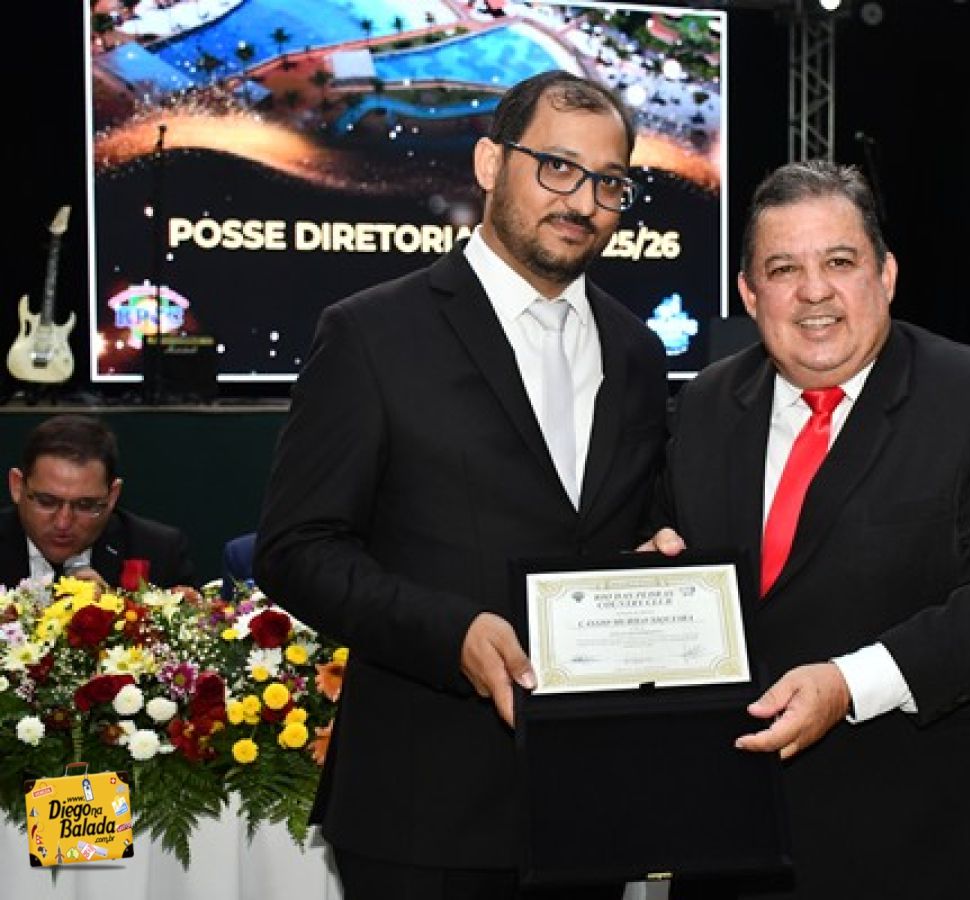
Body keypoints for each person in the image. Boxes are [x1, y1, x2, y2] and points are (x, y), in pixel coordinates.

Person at [253, 70, 668, 898]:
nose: (583, 202)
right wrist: (453, 636)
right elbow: (297, 549)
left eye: (609, 182)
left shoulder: (638, 352)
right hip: (422, 811)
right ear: (489, 163)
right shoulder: (371, 334)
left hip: (591, 812)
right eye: (558, 167)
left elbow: (624, 531)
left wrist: (659, 564)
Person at [644, 161, 970, 899]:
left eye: (840, 262)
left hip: (915, 854)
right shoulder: (709, 401)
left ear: (886, 275)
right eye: (784, 269)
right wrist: (652, 571)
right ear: (749, 293)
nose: (814, 291)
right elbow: (676, 550)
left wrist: (850, 684)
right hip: (728, 845)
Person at [0, 413, 195, 590]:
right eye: (47, 502)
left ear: (112, 497)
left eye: (85, 505)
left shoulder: (158, 552)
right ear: (17, 487)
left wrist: (114, 610)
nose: (63, 523)